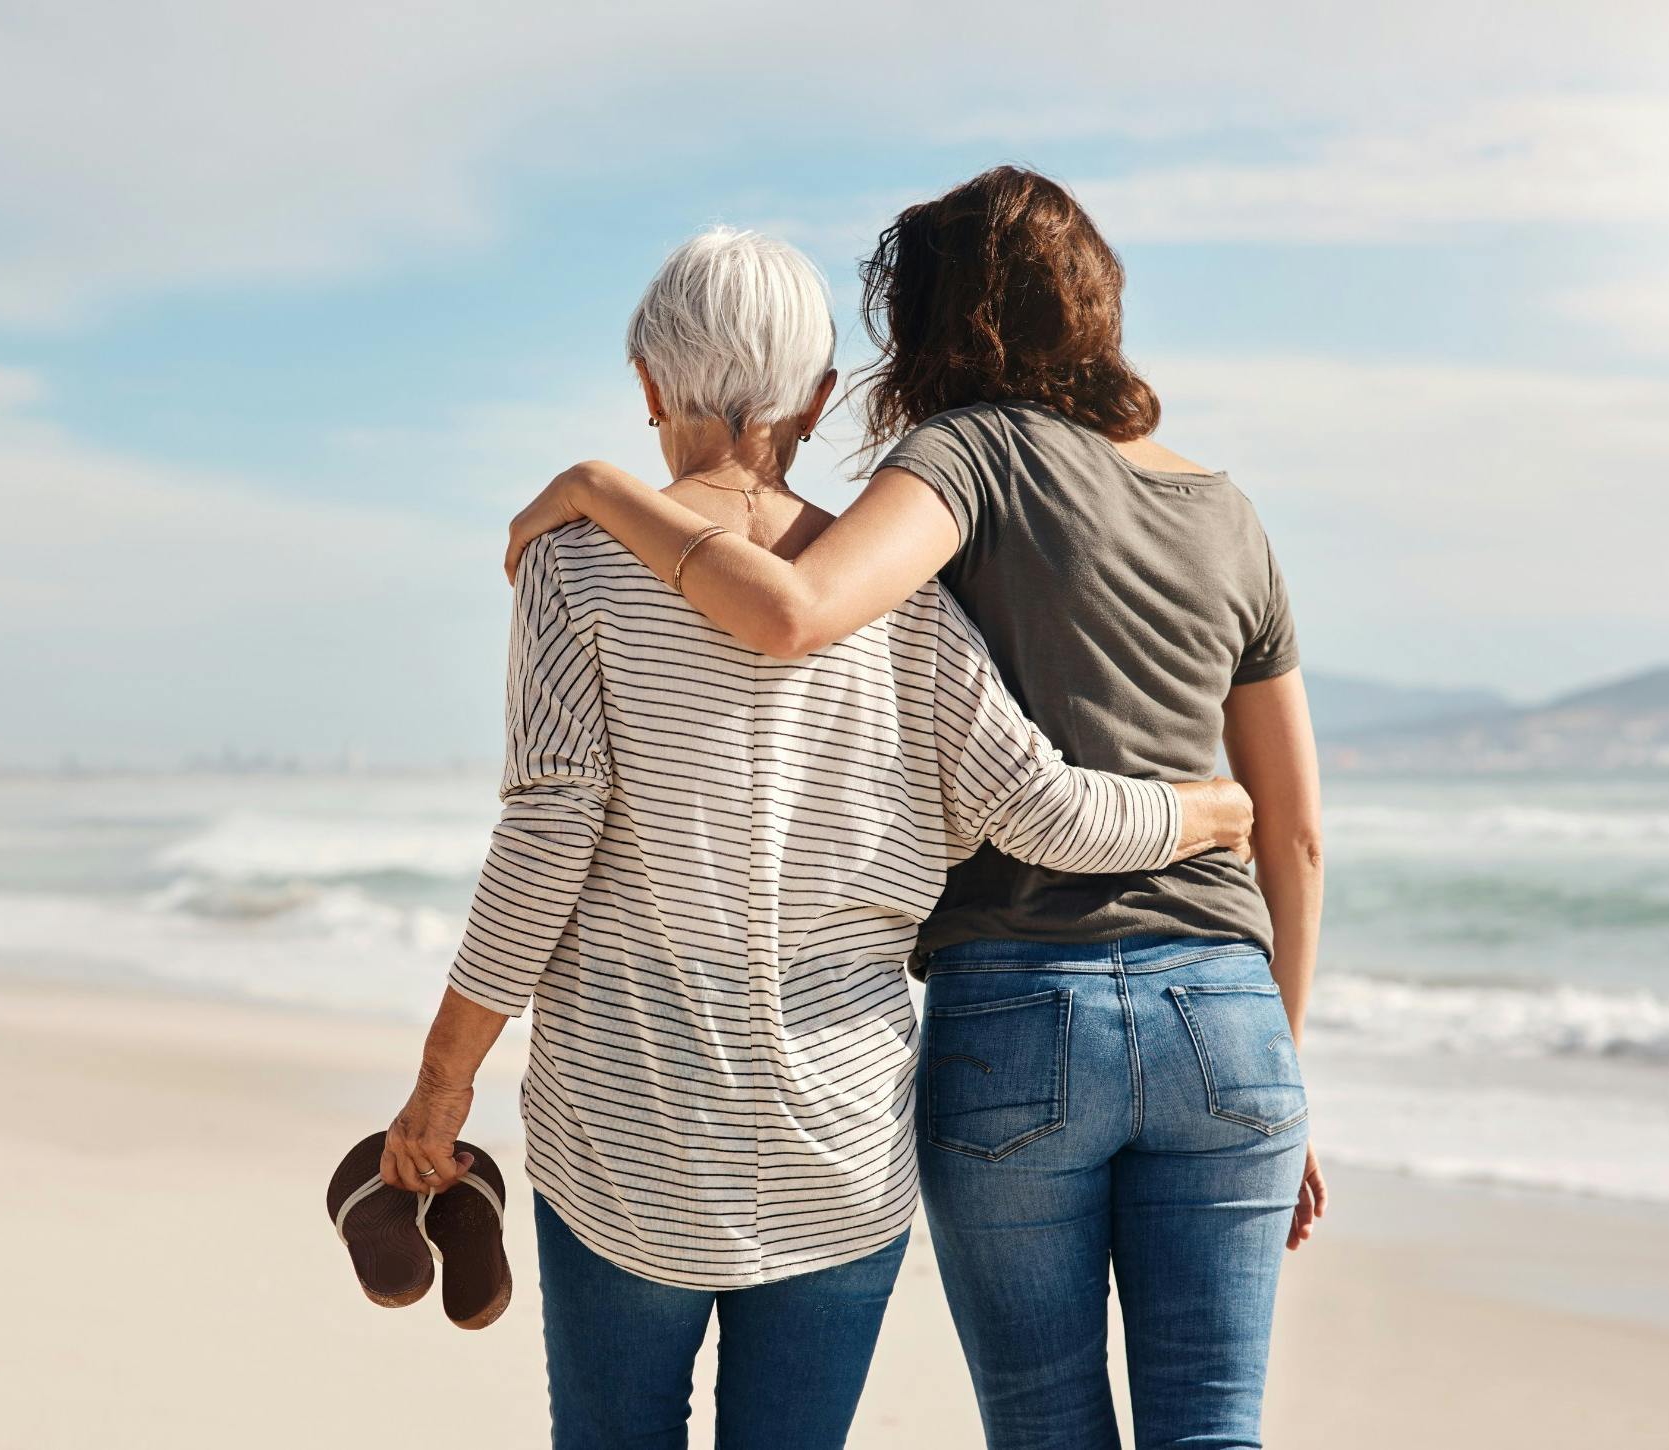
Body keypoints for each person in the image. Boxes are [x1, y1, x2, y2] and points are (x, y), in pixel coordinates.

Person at [385, 225, 1255, 1450]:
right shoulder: (895, 592)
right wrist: (1209, 809)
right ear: (819, 397)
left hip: (627, 1134)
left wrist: (441, 1083)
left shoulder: (574, 561)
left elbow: (547, 840)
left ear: (648, 386)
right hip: (838, 1148)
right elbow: (1049, 809)